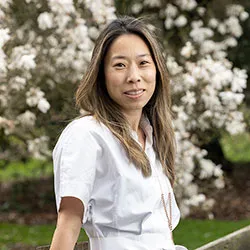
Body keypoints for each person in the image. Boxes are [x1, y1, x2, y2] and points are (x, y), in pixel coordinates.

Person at [50, 16, 187, 250]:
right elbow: (68, 221)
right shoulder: (87, 135)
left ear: (157, 69)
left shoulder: (152, 135)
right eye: (120, 65)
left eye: (143, 63)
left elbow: (161, 231)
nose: (134, 76)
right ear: (101, 74)